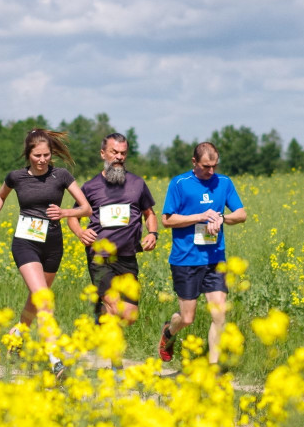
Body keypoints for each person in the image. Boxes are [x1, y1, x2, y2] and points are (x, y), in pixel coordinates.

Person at [0, 129, 92, 378]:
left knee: (36, 299)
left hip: (53, 244)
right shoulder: (17, 177)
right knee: (44, 301)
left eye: (46, 155)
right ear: (28, 154)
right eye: (37, 155)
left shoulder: (62, 176)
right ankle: (56, 361)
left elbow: (86, 208)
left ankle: (19, 335)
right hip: (26, 242)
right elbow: (0, 196)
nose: (42, 160)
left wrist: (65, 213)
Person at [158, 142, 247, 365]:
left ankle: (213, 368)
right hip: (186, 259)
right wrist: (199, 217)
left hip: (215, 258)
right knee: (187, 318)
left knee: (219, 315)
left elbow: (241, 214)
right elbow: (167, 220)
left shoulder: (224, 182)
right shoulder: (180, 183)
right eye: (206, 166)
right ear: (194, 162)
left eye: (214, 165)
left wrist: (221, 218)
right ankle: (169, 331)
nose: (211, 171)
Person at [66, 133, 159, 327]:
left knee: (130, 316)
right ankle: (113, 352)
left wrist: (152, 233)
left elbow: (149, 213)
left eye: (123, 153)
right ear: (103, 153)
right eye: (114, 152)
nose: (119, 157)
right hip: (100, 257)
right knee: (116, 306)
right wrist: (80, 233)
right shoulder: (90, 187)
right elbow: (73, 217)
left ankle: (99, 316)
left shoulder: (137, 184)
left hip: (127, 257)